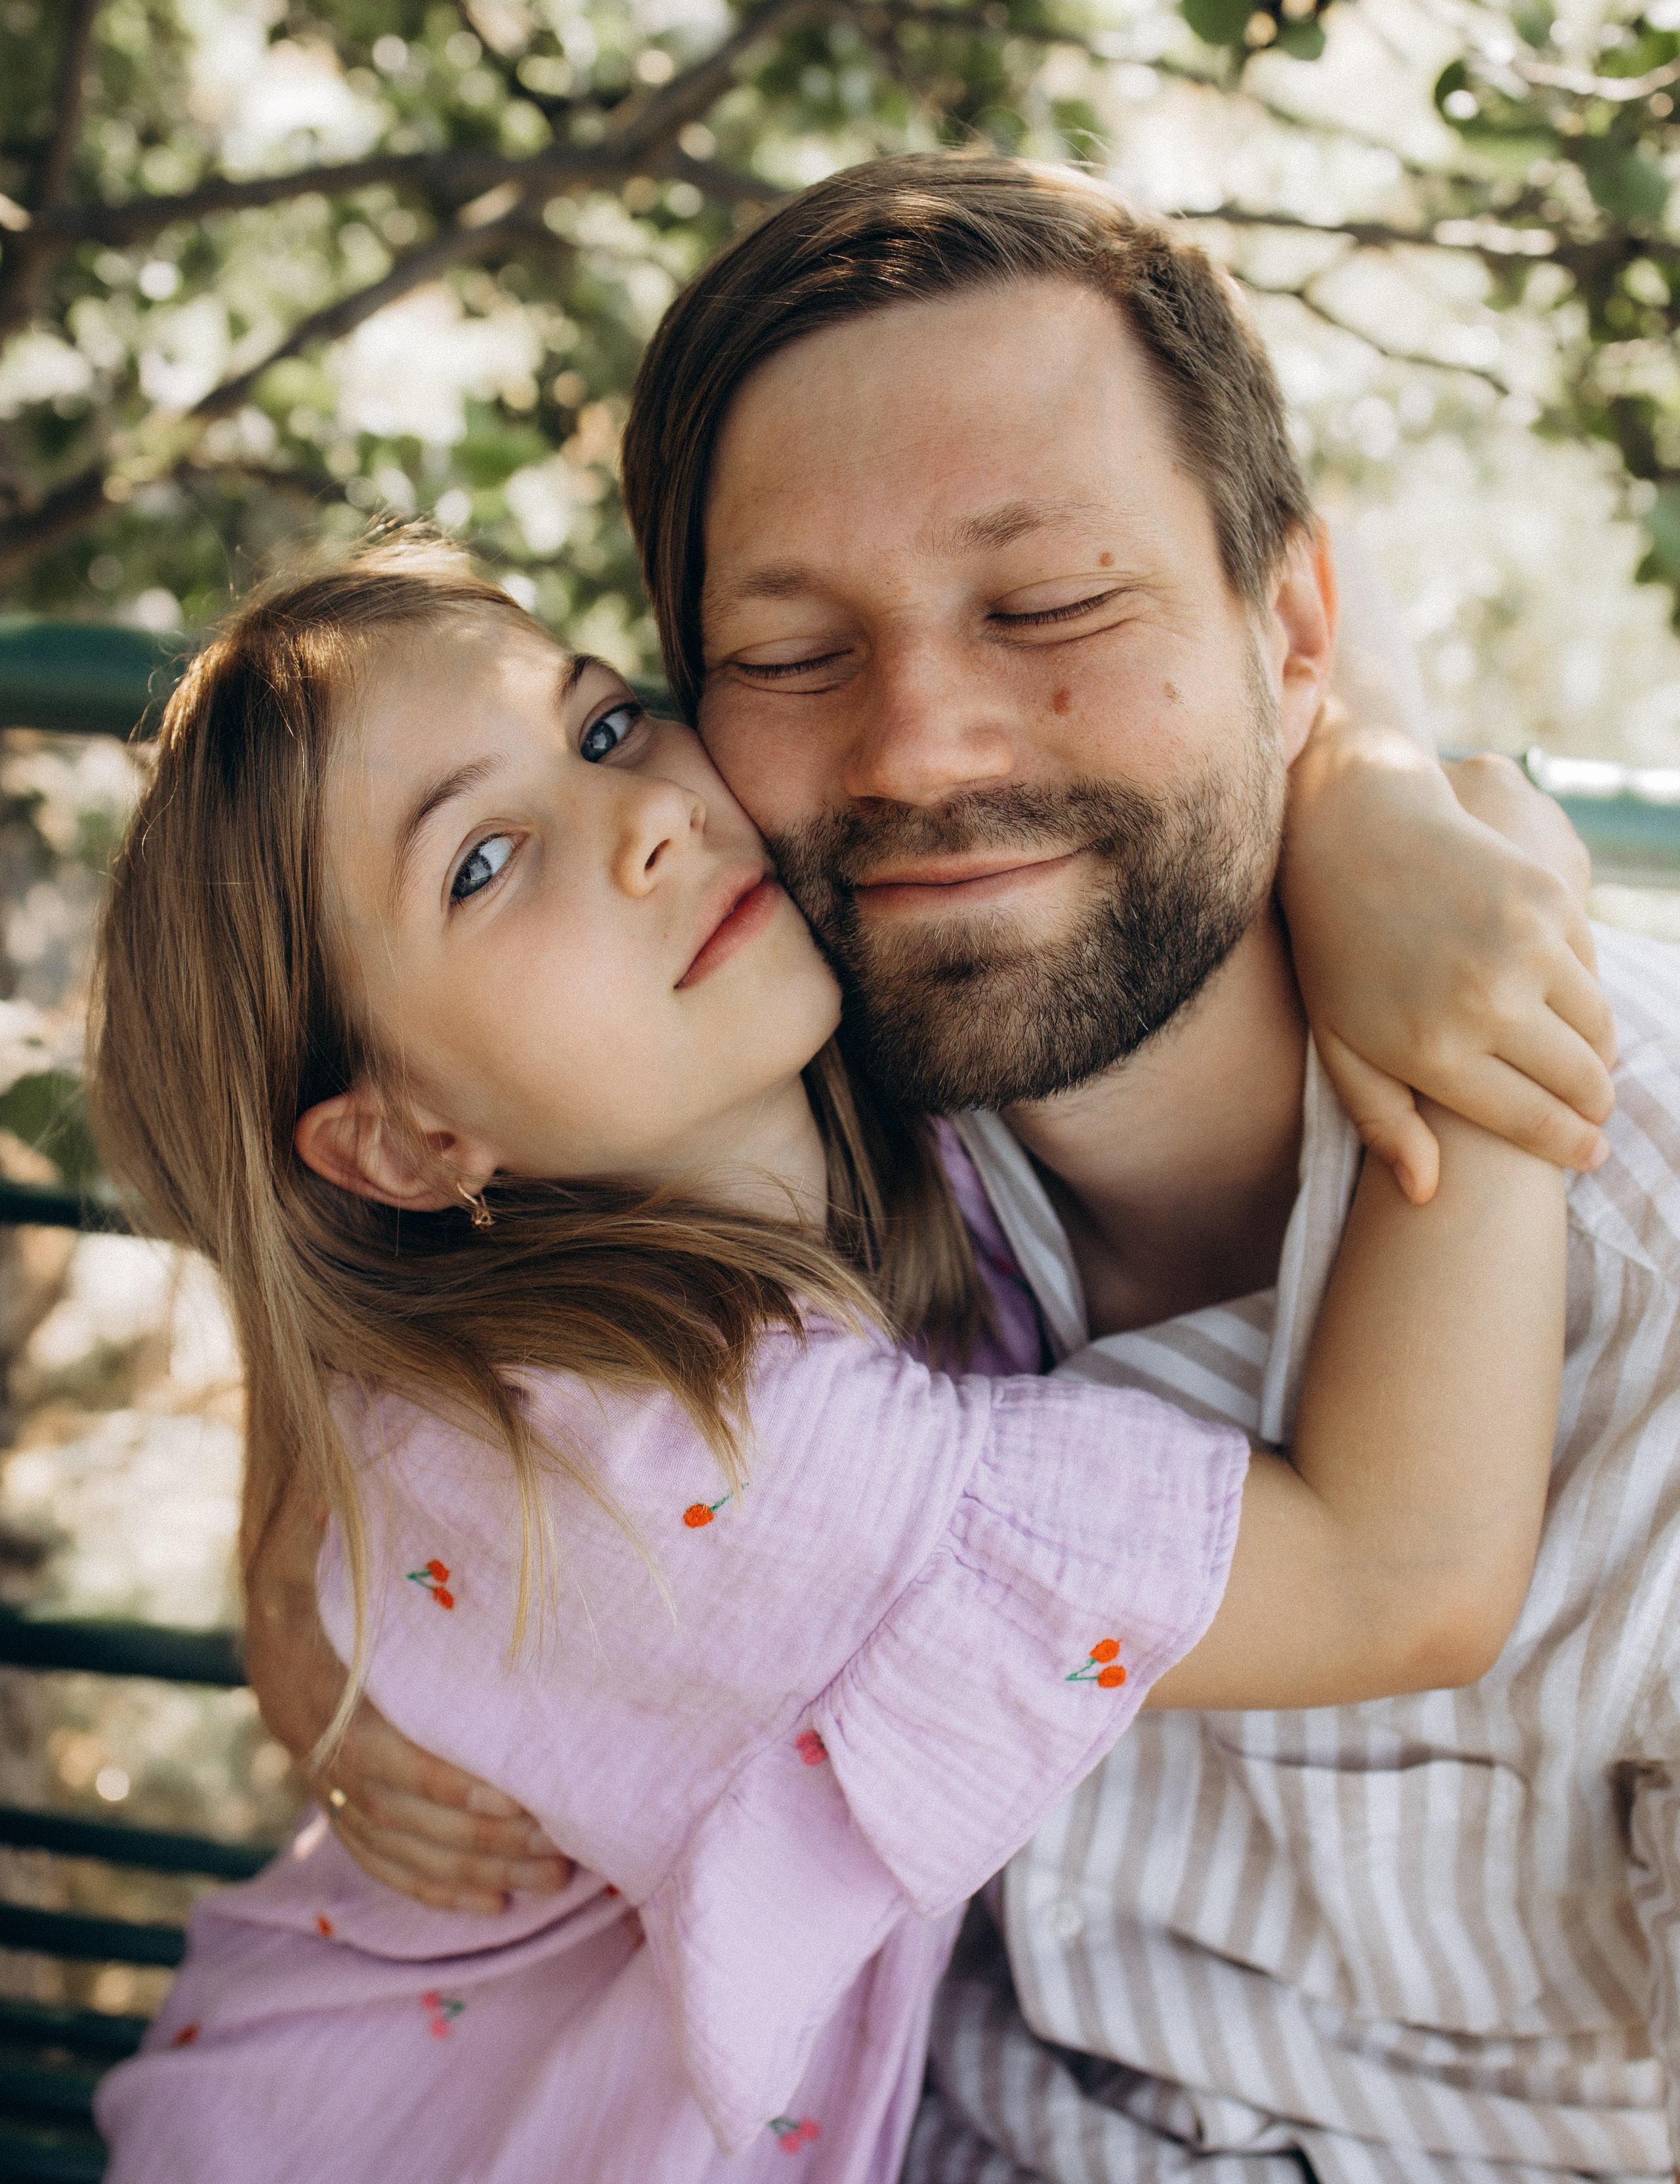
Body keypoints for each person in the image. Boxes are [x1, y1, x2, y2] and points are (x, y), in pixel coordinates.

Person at [252, 153, 1680, 2182]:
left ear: (1291, 625)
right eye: (793, 651)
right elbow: (379, 1232)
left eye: (1052, 602)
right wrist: (300, 1606)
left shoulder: (1645, 1280)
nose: (918, 746)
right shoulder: (774, 1061)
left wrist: (1410, 797)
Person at [87, 543, 1565, 2181]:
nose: (645, 815)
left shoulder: (731, 1139)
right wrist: (1506, 951)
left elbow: (1221, 530)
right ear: (409, 1144)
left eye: (600, 730)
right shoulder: (707, 1458)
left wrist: (1369, 796)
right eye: (484, 862)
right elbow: (1401, 1572)